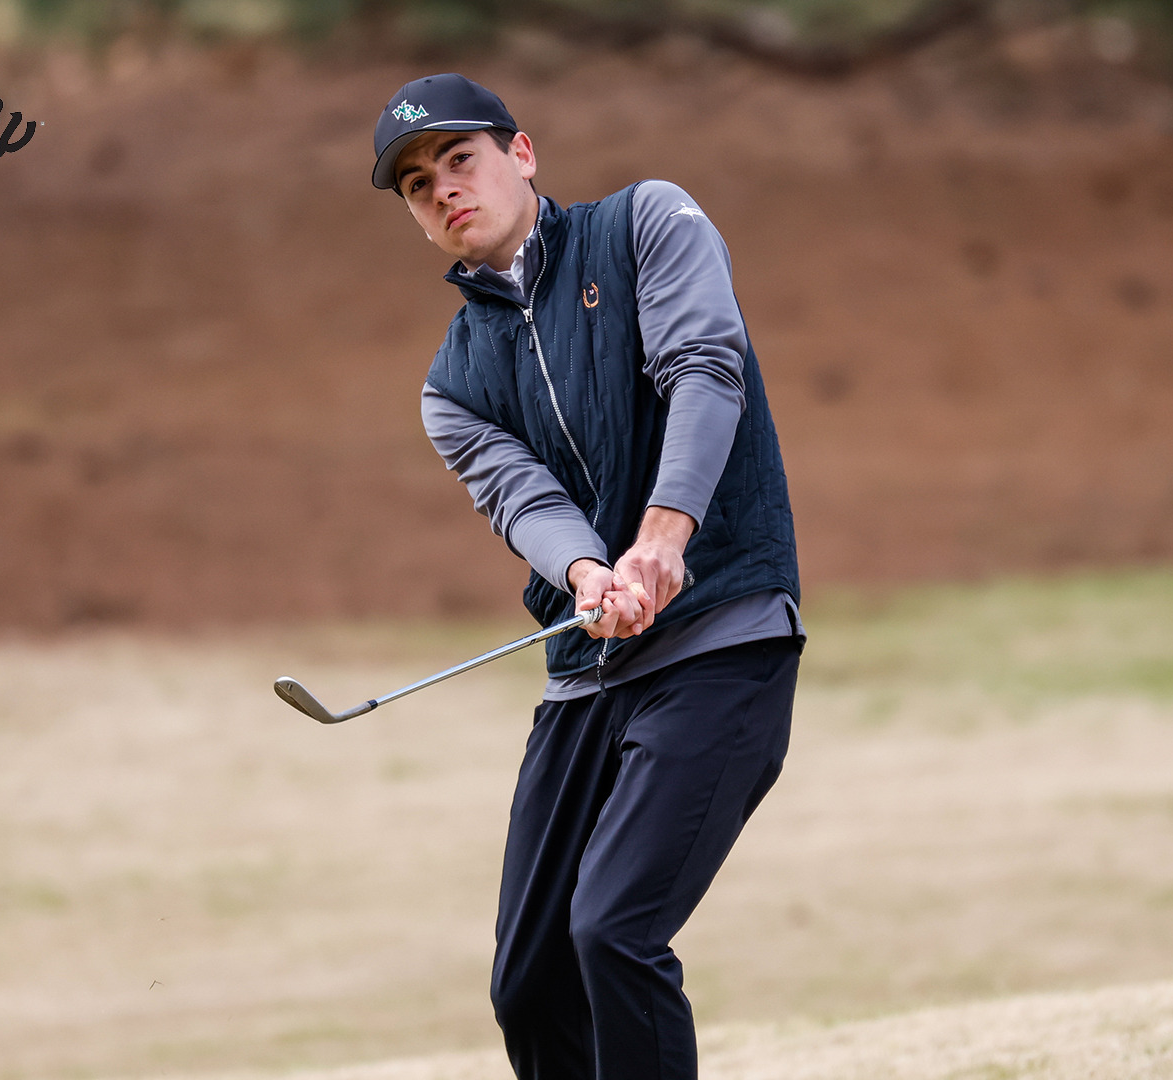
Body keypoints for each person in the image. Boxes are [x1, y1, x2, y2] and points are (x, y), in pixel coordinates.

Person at [370, 72, 804, 1080]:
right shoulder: (451, 385)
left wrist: (661, 538)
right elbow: (523, 501)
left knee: (612, 930)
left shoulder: (647, 223)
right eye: (416, 186)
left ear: (521, 153)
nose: (442, 190)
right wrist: (586, 572)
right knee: (529, 983)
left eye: (458, 160)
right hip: (588, 676)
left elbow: (704, 366)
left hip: (720, 637)